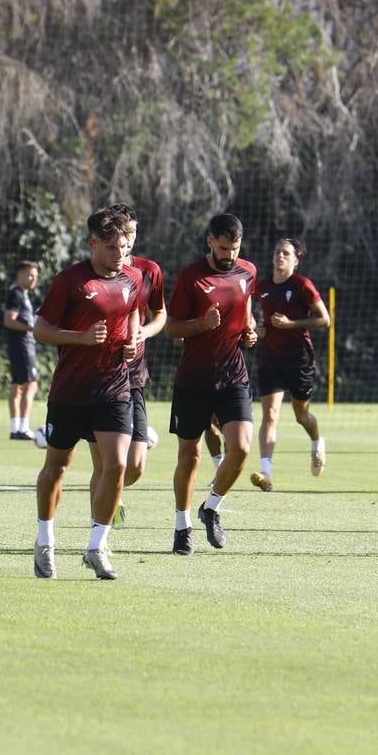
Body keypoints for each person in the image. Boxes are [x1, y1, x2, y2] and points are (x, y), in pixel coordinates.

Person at [31, 208, 142, 580]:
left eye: (124, 246)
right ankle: (44, 540)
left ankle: (97, 547)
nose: (120, 253)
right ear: (92, 244)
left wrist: (131, 340)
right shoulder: (71, 281)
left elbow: (132, 313)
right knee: (56, 469)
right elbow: (41, 330)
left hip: (114, 387)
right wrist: (78, 338)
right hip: (70, 391)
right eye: (111, 246)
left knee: (117, 465)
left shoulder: (132, 278)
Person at [165, 213, 257, 556]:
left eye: (234, 248)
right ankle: (182, 527)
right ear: (209, 242)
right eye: (222, 248)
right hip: (193, 379)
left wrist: (249, 331)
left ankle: (212, 507)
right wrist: (202, 324)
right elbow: (172, 328)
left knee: (243, 448)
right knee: (190, 456)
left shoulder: (248, 272)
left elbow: (246, 307)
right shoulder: (191, 276)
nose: (229, 255)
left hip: (233, 375)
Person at [96, 204, 166, 529]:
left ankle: (113, 494)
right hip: (98, 379)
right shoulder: (93, 272)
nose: (128, 241)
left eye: (133, 234)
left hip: (134, 377)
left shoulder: (148, 271)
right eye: (123, 234)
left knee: (134, 466)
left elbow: (159, 315)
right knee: (108, 464)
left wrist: (142, 333)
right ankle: (99, 534)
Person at [248, 238, 330, 492]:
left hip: (299, 360)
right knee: (270, 414)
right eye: (276, 252)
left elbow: (324, 319)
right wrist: (254, 327)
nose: (279, 256)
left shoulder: (302, 285)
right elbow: (245, 308)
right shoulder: (261, 287)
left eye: (285, 253)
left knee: (301, 415)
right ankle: (266, 472)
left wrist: (291, 324)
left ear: (295, 260)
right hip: (271, 359)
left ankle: (317, 441)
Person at [4, 261, 41, 440]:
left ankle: (15, 428)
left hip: (23, 346)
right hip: (22, 346)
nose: (33, 278)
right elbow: (9, 320)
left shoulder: (24, 295)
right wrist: (31, 328)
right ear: (19, 275)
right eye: (29, 274)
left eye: (35, 275)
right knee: (30, 385)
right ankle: (23, 428)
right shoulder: (16, 294)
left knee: (17, 386)